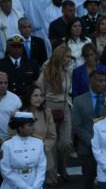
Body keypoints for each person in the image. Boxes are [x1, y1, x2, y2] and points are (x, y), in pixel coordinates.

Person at [36, 44, 73, 182]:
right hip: (49, 108)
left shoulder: (67, 70)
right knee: (51, 145)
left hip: (65, 107)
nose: (69, 59)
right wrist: (43, 108)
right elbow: (39, 90)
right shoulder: (46, 72)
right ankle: (51, 178)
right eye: (67, 56)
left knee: (66, 143)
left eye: (69, 56)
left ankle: (62, 168)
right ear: (59, 56)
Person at [72, 70, 106, 189]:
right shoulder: (79, 101)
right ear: (91, 82)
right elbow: (76, 125)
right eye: (100, 81)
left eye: (104, 81)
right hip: (88, 148)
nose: (104, 84)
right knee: (88, 180)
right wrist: (92, 141)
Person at [15, 85, 57, 186]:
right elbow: (12, 137)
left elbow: (52, 136)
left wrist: (41, 149)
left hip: (41, 157)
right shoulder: (19, 114)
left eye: (41, 96)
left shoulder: (47, 113)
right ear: (28, 97)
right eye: (35, 95)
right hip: (21, 159)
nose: (39, 98)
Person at [0, 112, 46, 188]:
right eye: (30, 125)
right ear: (20, 128)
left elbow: (41, 167)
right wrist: (24, 187)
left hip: (34, 183)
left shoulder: (39, 142)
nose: (34, 128)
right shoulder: (7, 145)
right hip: (13, 185)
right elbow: (5, 170)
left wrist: (36, 185)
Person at [0, 71, 21, 143]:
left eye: (5, 83)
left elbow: (19, 123)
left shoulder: (15, 99)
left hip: (9, 140)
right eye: (0, 83)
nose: (3, 85)